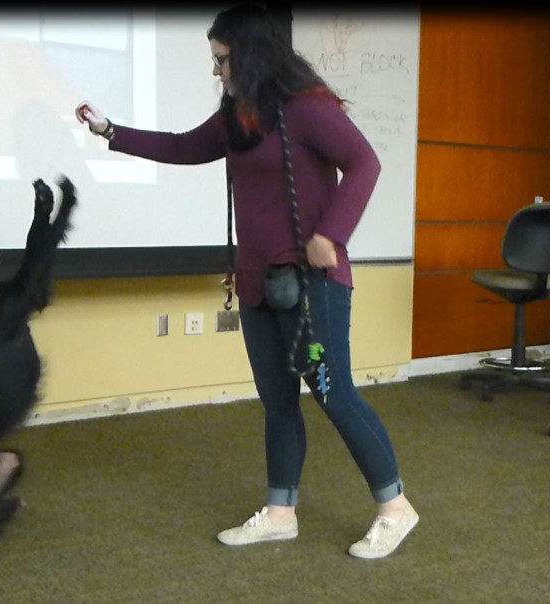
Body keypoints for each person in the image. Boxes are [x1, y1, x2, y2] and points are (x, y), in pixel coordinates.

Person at [74, 4, 418, 560]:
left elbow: (365, 163)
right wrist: (111, 132)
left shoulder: (307, 107)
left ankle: (395, 507)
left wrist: (331, 234)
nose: (216, 70)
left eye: (222, 58)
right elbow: (184, 147)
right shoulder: (238, 116)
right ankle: (281, 513)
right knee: (277, 400)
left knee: (335, 394)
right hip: (258, 281)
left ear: (253, 54)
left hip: (313, 282)